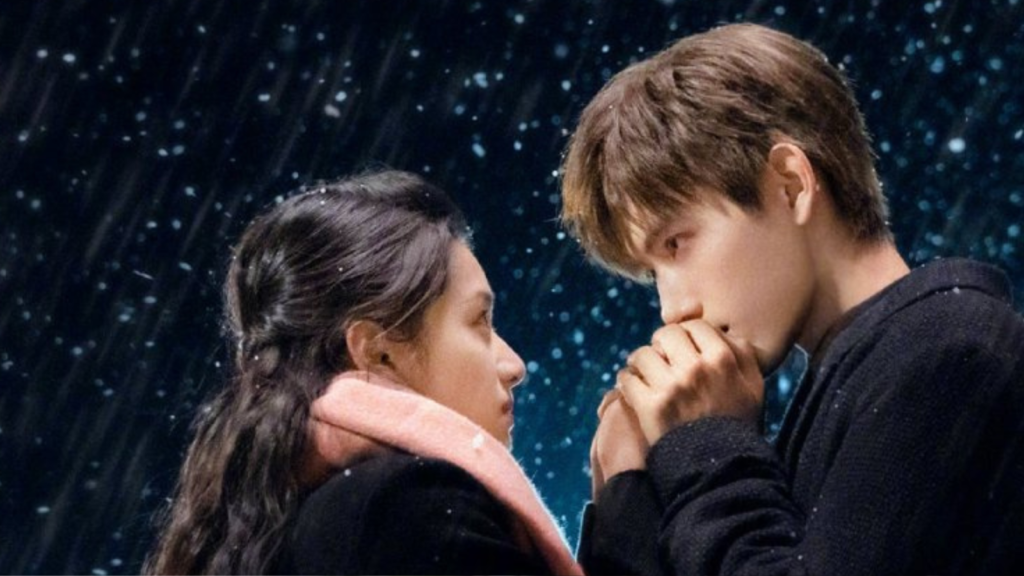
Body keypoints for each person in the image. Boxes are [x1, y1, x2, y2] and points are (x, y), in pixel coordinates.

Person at [563, 23, 1024, 575]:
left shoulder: (951, 352)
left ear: (790, 185)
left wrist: (704, 442)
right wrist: (629, 490)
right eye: (651, 272)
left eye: (676, 243)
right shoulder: (864, 380)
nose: (672, 309)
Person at [145, 170, 582, 575]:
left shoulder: (301, 517)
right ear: (377, 352)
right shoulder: (406, 508)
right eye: (479, 322)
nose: (514, 366)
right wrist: (618, 496)